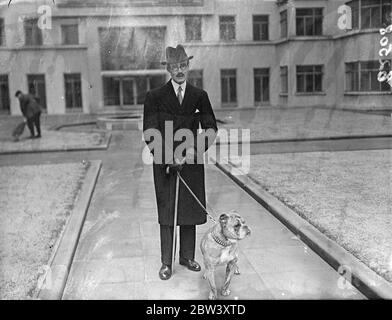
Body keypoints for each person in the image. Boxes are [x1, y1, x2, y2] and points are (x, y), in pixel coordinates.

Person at [143, 44, 218, 280]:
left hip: (191, 162)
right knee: (167, 211)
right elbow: (150, 130)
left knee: (189, 210)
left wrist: (191, 152)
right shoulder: (154, 97)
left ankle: (187, 256)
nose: (179, 70)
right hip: (165, 165)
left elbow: (210, 128)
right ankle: (166, 262)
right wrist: (168, 158)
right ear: (168, 69)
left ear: (188, 66)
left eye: (183, 65)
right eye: (174, 66)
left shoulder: (199, 96)